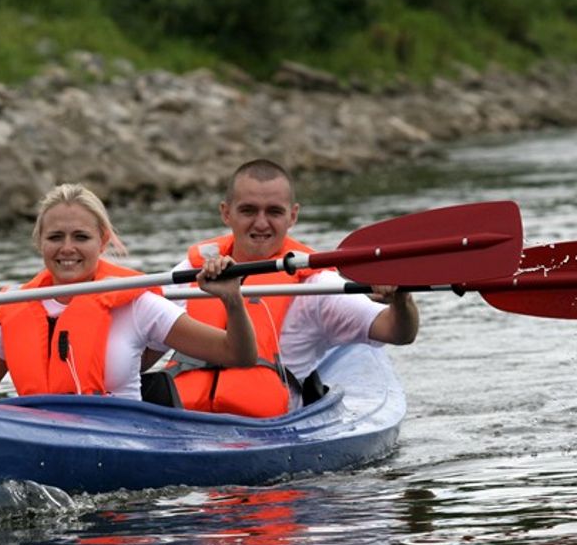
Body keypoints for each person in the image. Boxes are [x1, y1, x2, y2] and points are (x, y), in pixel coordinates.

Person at [0, 182, 257, 401]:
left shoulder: (137, 303)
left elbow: (238, 355)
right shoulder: (18, 307)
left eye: (81, 237)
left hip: (120, 445)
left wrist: (232, 301)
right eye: (56, 237)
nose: (67, 248)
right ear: (39, 243)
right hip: (44, 438)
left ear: (102, 242)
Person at [161, 158, 419, 418]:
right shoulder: (187, 275)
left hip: (268, 430)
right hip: (183, 423)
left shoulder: (316, 287)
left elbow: (397, 332)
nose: (261, 224)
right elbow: (138, 339)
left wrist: (401, 299)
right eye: (248, 210)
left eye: (274, 212)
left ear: (292, 215)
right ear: (226, 212)